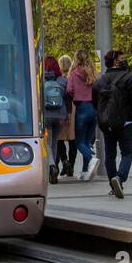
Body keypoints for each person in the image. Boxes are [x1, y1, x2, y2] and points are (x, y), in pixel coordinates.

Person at [94, 51, 132, 198]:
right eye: (122, 59)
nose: (125, 61)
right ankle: (120, 178)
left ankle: (113, 185)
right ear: (115, 61)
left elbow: (95, 102)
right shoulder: (129, 78)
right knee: (127, 153)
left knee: (110, 155)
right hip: (125, 122)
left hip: (107, 123)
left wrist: (103, 117)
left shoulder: (100, 81)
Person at [66, 49, 99, 181]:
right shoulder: (93, 73)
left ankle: (91, 159)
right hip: (93, 108)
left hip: (81, 108)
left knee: (79, 142)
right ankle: (85, 171)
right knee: (86, 141)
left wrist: (75, 96)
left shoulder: (74, 73)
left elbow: (69, 90)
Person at [41, 56, 70, 184]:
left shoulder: (41, 80)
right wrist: (68, 115)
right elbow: (68, 98)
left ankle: (51, 166)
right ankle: (54, 167)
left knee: (47, 143)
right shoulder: (62, 81)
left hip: (46, 115)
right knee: (55, 143)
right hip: (60, 116)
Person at [56, 55, 78, 177]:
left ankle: (64, 160)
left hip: (61, 109)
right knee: (72, 139)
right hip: (74, 109)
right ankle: (72, 165)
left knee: (59, 139)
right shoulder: (74, 77)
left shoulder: (58, 79)